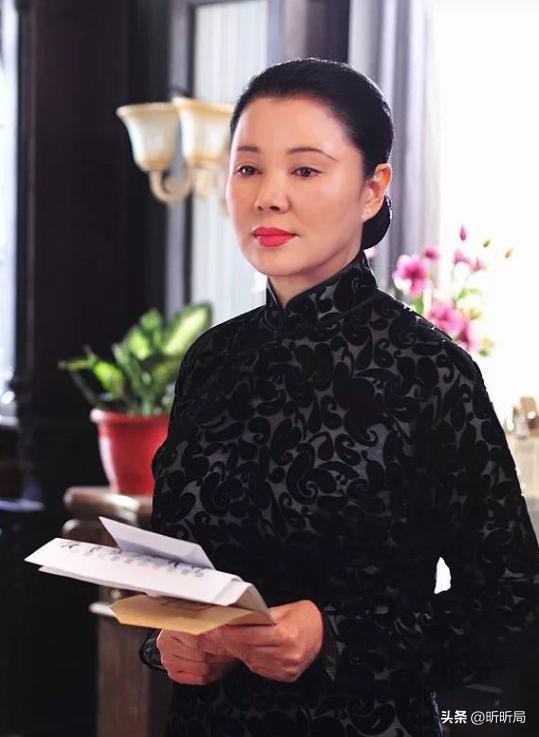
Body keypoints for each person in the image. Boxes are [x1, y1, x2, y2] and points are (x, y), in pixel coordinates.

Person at [139, 57, 539, 737]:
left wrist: (333, 635)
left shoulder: (429, 372)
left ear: (372, 188)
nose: (269, 196)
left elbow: (510, 603)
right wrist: (170, 641)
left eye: (304, 169)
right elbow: (179, 572)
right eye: (247, 168)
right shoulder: (212, 359)